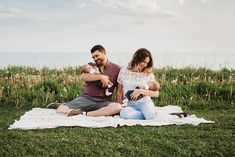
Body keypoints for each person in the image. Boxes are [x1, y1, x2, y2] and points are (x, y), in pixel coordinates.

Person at [47, 45, 122, 117]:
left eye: (97, 56)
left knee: (118, 107)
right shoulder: (90, 66)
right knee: (61, 110)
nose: (95, 59)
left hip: (104, 101)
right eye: (93, 57)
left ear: (104, 53)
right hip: (87, 98)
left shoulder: (117, 68)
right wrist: (101, 77)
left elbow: (119, 91)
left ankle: (83, 114)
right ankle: (65, 105)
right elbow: (83, 77)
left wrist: (120, 111)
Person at [116, 48, 160, 120]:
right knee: (124, 113)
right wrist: (119, 107)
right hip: (129, 104)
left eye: (147, 63)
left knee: (151, 116)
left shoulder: (148, 73)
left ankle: (148, 114)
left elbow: (156, 93)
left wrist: (140, 91)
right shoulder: (124, 71)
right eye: (144, 62)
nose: (145, 65)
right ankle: (145, 115)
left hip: (144, 102)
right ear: (137, 59)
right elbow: (119, 91)